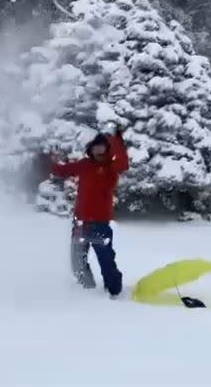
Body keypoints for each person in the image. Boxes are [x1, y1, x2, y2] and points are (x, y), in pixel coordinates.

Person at [49, 127, 129, 298]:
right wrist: (53, 163)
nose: (98, 152)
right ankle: (87, 294)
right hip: (80, 223)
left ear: (108, 150)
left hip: (99, 224)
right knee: (77, 262)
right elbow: (63, 170)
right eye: (95, 148)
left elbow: (123, 163)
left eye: (102, 149)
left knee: (106, 261)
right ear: (91, 150)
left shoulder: (111, 168)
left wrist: (116, 141)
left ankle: (115, 290)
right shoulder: (85, 165)